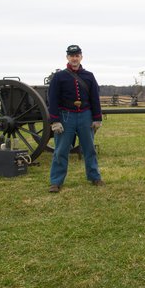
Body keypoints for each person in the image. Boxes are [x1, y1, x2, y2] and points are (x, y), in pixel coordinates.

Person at [47, 45, 104, 193]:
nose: (74, 58)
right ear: (67, 57)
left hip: (85, 115)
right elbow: (52, 99)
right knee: (61, 150)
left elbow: (94, 99)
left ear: (81, 57)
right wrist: (55, 120)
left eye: (77, 55)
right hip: (66, 116)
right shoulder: (59, 77)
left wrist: (97, 118)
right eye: (71, 55)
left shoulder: (89, 76)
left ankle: (94, 177)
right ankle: (56, 181)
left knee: (89, 148)